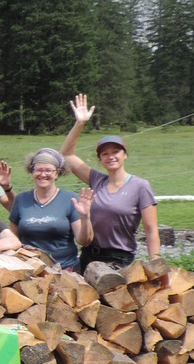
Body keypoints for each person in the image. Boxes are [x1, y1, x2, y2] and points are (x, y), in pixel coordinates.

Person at [60, 93, 160, 268]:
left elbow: (151, 230)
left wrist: (155, 261)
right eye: (105, 153)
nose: (111, 156)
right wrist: (80, 123)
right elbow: (66, 155)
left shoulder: (140, 186)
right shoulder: (96, 180)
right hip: (89, 257)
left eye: (115, 152)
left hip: (120, 260)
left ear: (125, 155)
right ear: (100, 159)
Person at [9, 148, 95, 271]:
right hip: (30, 270)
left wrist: (85, 217)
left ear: (57, 173)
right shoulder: (21, 199)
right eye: (38, 170)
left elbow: (84, 241)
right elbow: (12, 237)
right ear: (32, 171)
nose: (43, 174)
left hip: (66, 270)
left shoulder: (70, 199)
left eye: (48, 170)